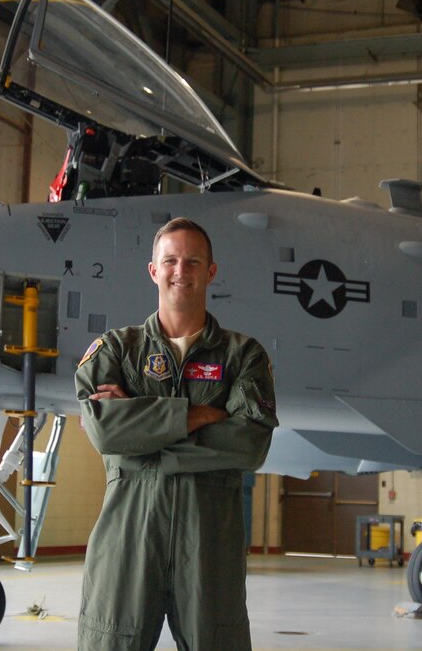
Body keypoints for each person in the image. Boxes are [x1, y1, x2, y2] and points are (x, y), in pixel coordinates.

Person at [75, 217, 278, 651]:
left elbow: (251, 442)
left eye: (192, 261)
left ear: (211, 271)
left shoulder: (244, 355)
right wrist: (199, 413)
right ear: (153, 270)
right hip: (127, 541)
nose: (180, 270)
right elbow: (105, 431)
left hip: (208, 550)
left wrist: (147, 439)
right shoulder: (115, 350)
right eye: (170, 260)